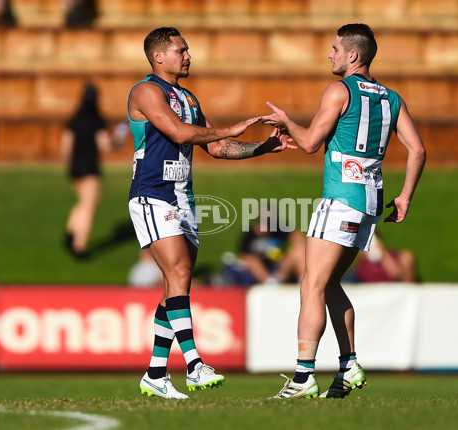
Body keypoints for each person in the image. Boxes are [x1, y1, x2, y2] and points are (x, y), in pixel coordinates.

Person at [128, 27, 294, 400]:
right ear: (159, 57)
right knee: (181, 272)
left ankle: (155, 374)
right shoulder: (146, 91)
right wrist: (229, 127)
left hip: (183, 199)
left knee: (176, 286)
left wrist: (261, 148)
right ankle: (194, 364)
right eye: (180, 50)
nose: (188, 56)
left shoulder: (187, 97)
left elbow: (218, 148)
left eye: (187, 50)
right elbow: (181, 134)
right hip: (152, 195)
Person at [263, 23, 426, 399]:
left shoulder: (339, 90)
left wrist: (287, 122)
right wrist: (404, 197)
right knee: (331, 282)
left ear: (353, 54)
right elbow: (418, 150)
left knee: (312, 283)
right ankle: (349, 364)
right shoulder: (392, 98)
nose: (330, 54)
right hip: (370, 202)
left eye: (335, 48)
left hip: (340, 199)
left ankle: (304, 377)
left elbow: (308, 143)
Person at [61, 84, 111, 259]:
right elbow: (104, 145)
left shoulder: (74, 120)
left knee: (82, 202)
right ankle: (79, 245)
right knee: (89, 206)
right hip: (90, 168)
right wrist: (117, 142)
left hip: (75, 167)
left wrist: (69, 164)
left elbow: (66, 145)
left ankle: (70, 231)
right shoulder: (97, 121)